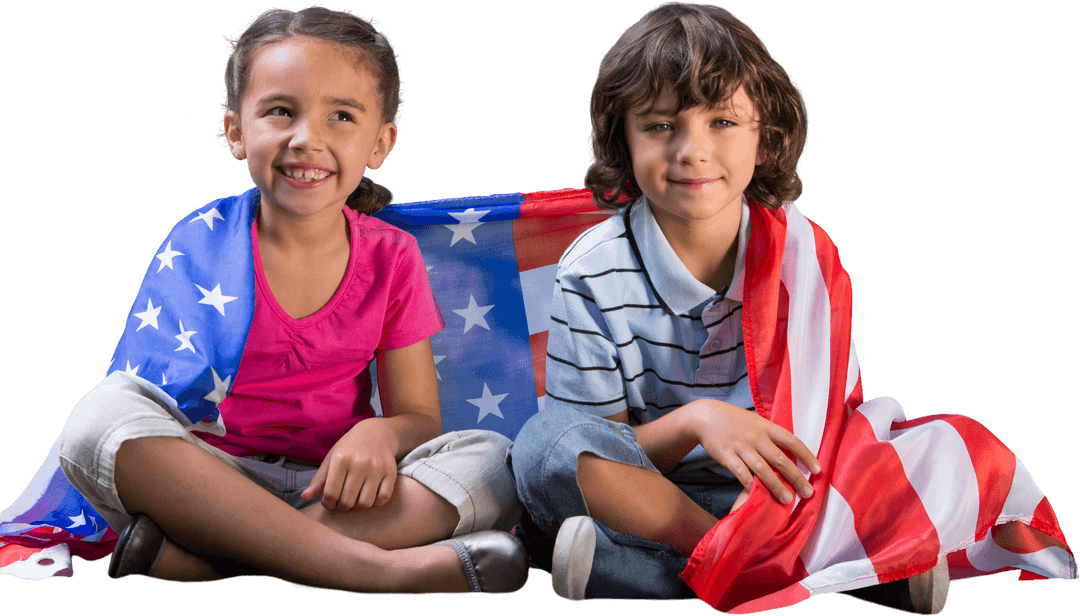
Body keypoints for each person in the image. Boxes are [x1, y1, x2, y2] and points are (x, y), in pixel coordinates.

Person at [55, 5, 525, 594]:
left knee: (495, 461)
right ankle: (378, 570)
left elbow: (418, 418)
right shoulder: (198, 241)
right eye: (280, 111)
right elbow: (149, 399)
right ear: (236, 131)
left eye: (342, 116)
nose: (307, 139)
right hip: (207, 480)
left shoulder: (393, 256)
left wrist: (379, 436)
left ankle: (220, 559)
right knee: (96, 421)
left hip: (338, 489)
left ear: (380, 143)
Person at [509, 2, 951, 610]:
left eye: (721, 122)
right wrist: (697, 422)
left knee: (906, 447)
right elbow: (598, 444)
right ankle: (769, 565)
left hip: (776, 494)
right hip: (655, 496)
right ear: (624, 140)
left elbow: (824, 428)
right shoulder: (592, 269)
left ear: (766, 139)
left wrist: (784, 500)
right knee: (541, 448)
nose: (692, 150)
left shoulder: (801, 257)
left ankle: (643, 570)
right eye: (660, 126)